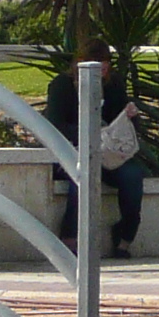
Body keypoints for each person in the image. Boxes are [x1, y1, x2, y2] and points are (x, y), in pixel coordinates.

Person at [44, 60, 147, 258]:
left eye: (105, 69)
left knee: (132, 176)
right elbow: (55, 125)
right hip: (73, 150)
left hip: (108, 152)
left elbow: (121, 121)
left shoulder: (113, 85)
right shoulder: (62, 86)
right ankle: (70, 236)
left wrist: (131, 116)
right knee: (82, 177)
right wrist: (89, 133)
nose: (102, 74)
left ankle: (125, 237)